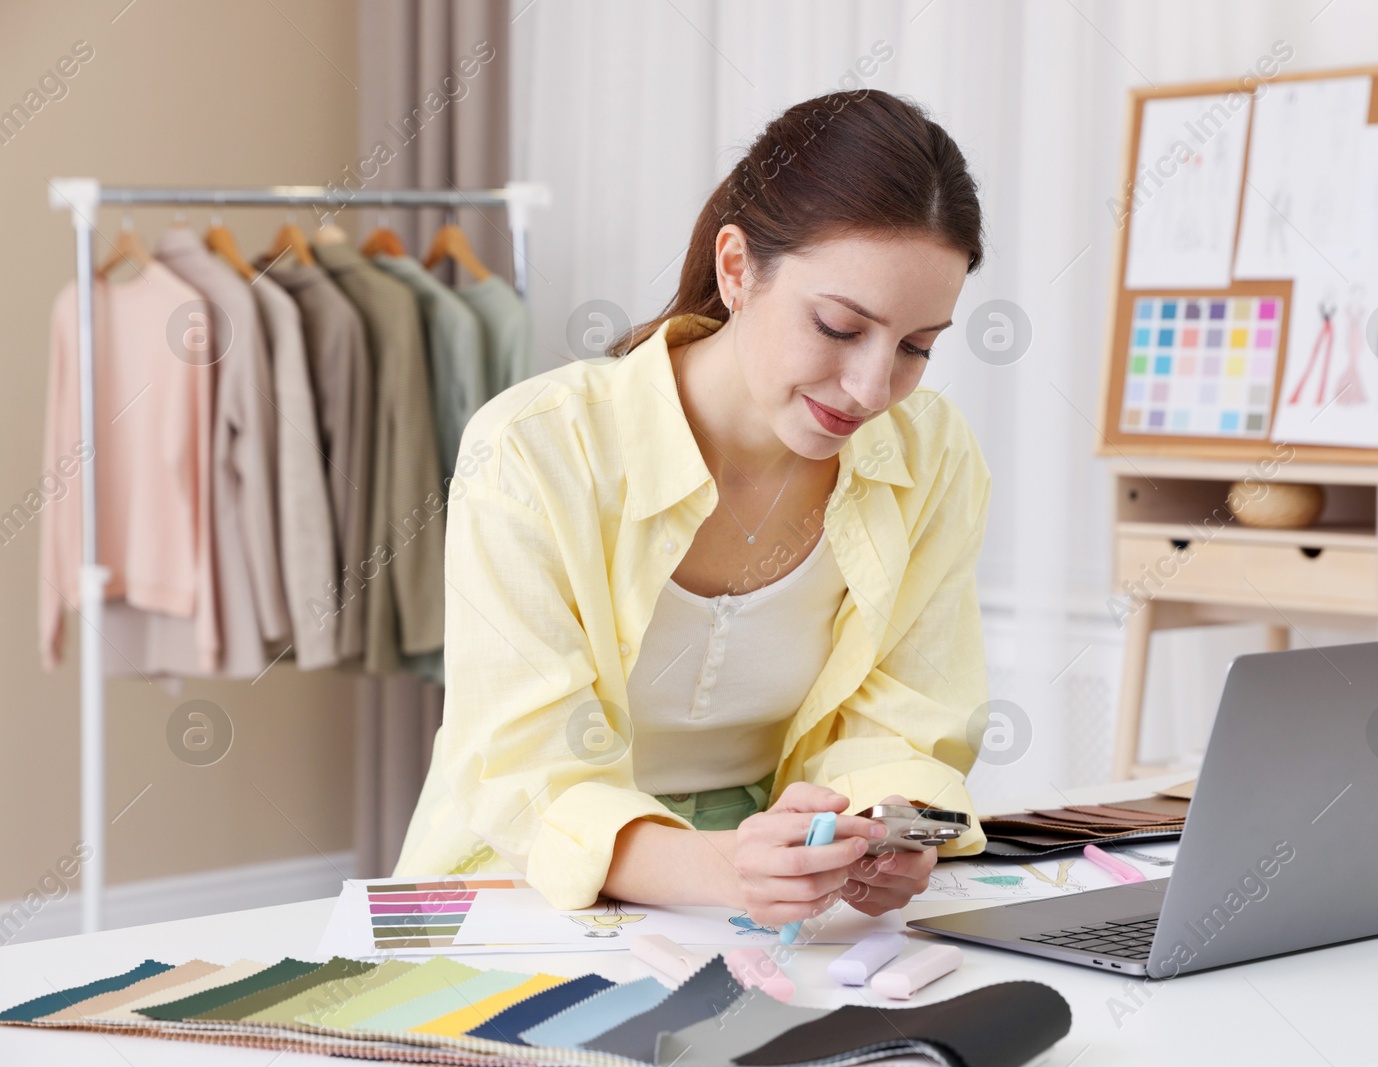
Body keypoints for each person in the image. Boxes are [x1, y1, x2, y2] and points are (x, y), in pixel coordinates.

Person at [395, 89, 993, 928]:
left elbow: (905, 711)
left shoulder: (930, 455)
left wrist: (889, 829)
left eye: (917, 347)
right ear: (737, 268)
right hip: (527, 884)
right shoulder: (534, 450)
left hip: (780, 881)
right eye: (837, 326)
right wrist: (721, 867)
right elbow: (527, 771)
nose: (871, 388)